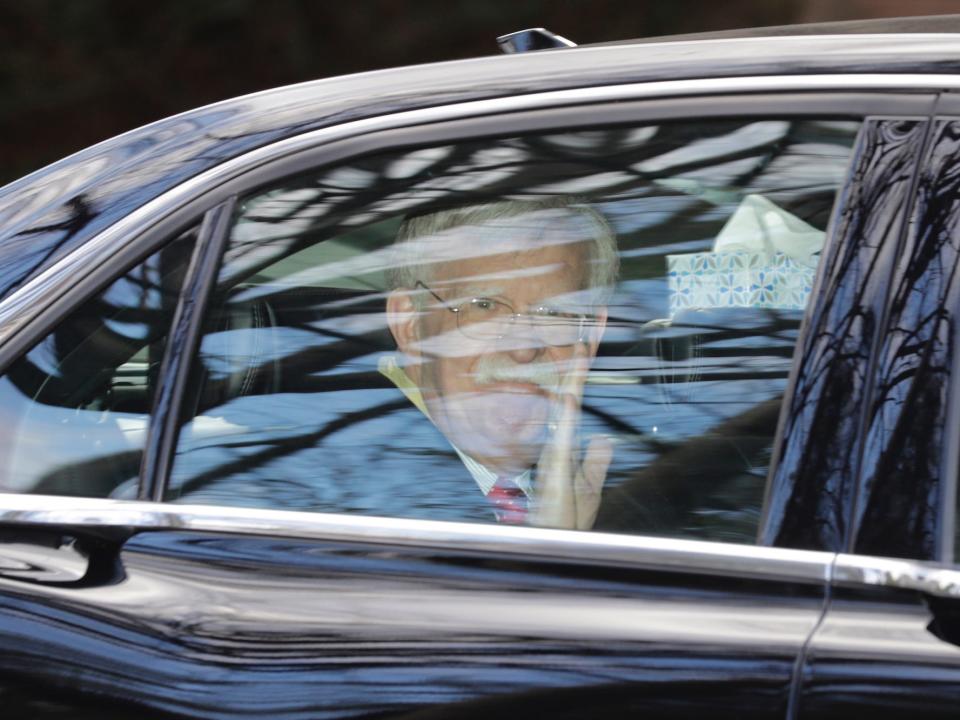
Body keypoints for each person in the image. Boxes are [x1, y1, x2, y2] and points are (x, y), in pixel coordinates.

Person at [381, 198, 619, 530]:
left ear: (590, 337)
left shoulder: (633, 496)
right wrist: (550, 560)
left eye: (552, 313)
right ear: (410, 323)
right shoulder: (344, 496)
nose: (524, 350)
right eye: (484, 305)